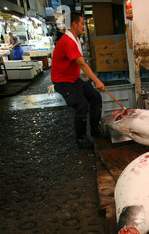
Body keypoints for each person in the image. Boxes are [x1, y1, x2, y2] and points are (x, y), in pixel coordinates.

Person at [51, 11, 105, 148]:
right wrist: (96, 81)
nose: (83, 26)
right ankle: (81, 139)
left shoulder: (75, 39)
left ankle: (95, 130)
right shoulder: (68, 41)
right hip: (62, 81)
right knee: (81, 104)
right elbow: (81, 63)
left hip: (73, 78)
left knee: (95, 97)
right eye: (81, 24)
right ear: (74, 24)